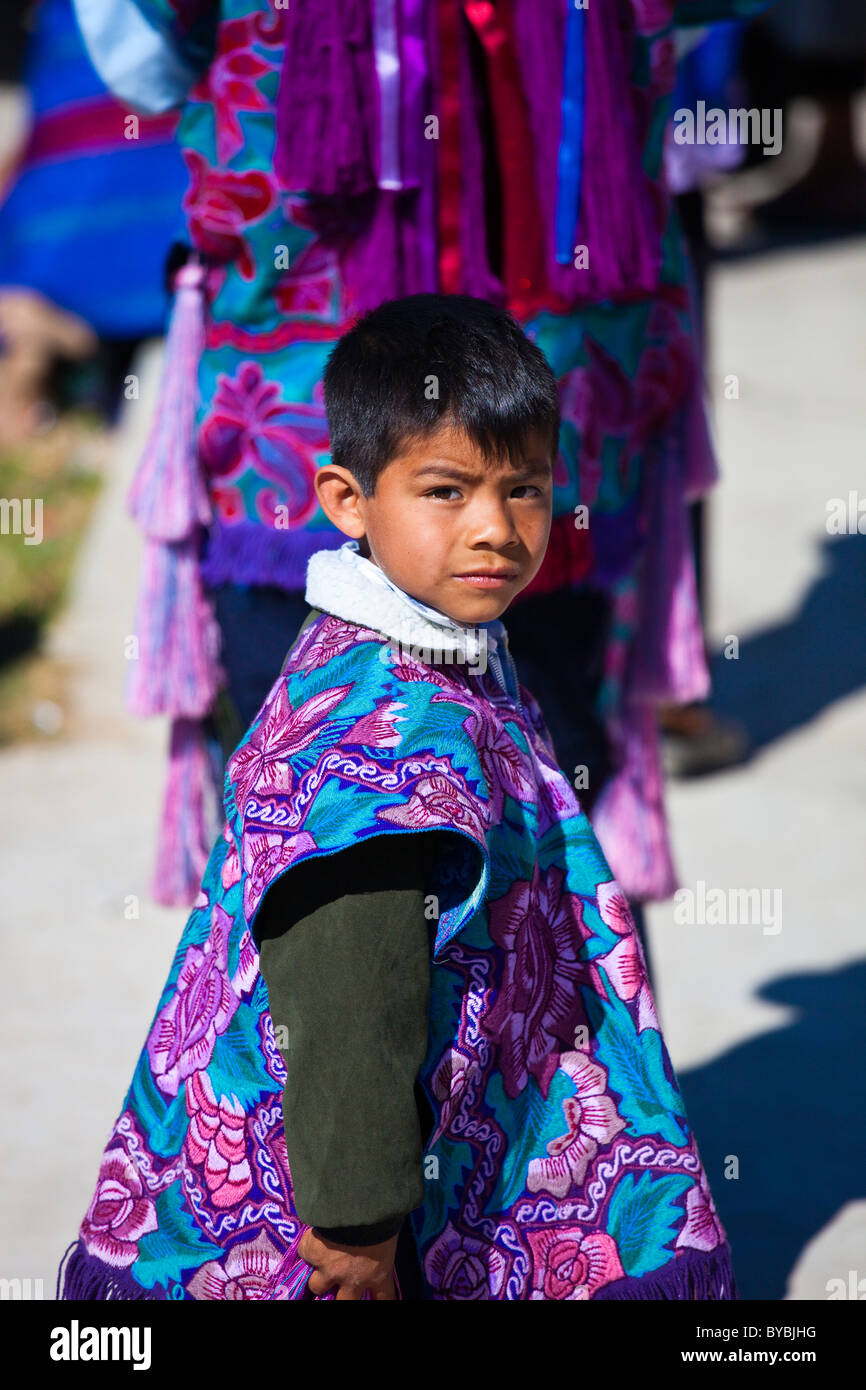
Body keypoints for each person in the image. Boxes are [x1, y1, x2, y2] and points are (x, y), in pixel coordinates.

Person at [57, 294, 736, 1302]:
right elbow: (348, 1004)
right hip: (358, 1210)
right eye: (446, 489)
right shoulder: (379, 741)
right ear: (347, 497)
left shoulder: (436, 653)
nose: (494, 530)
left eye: (525, 490)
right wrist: (359, 1224)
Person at [72, 0, 774, 931]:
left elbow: (147, 62)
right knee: (397, 809)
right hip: (380, 419)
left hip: (419, 410)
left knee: (369, 801)